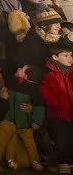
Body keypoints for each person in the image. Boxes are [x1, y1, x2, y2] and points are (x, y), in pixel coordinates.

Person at [40, 40, 73, 174]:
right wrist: (56, 103)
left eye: (71, 55)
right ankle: (63, 163)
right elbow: (45, 93)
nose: (70, 58)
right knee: (61, 140)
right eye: (65, 55)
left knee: (70, 138)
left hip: (71, 112)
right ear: (55, 57)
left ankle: (69, 162)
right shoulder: (49, 75)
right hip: (58, 114)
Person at [5, 63, 45, 171]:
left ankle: (12, 160)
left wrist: (36, 120)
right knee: (20, 142)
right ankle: (31, 161)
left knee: (23, 142)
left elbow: (38, 107)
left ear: (26, 76)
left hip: (20, 121)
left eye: (22, 69)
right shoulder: (18, 85)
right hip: (19, 121)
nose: (19, 69)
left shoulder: (21, 87)